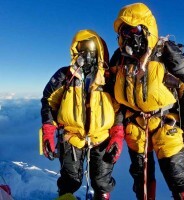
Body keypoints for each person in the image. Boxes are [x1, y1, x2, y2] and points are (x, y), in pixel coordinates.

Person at [109, 2, 184, 200]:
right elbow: (112, 97)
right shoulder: (119, 59)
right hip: (135, 127)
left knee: (179, 179)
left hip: (166, 124)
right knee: (140, 181)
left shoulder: (165, 51)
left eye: (134, 28)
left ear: (147, 28)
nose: (129, 35)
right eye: (124, 31)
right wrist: (117, 128)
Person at [40, 29, 124, 200]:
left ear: (99, 50)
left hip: (101, 137)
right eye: (81, 48)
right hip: (71, 137)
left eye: (90, 47)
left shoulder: (108, 78)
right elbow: (49, 101)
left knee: (101, 181)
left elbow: (119, 109)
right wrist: (48, 130)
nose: (85, 53)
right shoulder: (64, 76)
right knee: (70, 181)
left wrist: (117, 135)